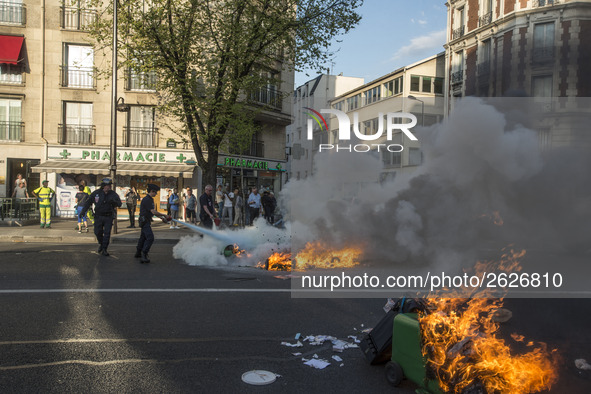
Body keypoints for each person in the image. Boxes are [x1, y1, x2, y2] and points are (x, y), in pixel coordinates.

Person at [79, 178, 122, 256]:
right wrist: (83, 212)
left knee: (107, 233)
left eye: (109, 185)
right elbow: (88, 202)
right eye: (108, 185)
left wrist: (114, 202)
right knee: (97, 232)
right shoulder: (96, 193)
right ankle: (101, 244)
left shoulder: (113, 194)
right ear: (103, 186)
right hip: (98, 216)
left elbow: (119, 204)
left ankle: (104, 248)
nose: (109, 187)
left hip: (108, 216)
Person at [136, 184, 169, 263]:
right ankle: (144, 254)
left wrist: (162, 218)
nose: (156, 194)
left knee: (143, 237)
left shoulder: (149, 199)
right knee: (150, 238)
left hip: (145, 220)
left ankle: (138, 253)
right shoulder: (147, 200)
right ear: (152, 191)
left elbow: (152, 213)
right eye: (155, 192)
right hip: (145, 221)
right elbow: (153, 211)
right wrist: (164, 215)